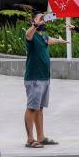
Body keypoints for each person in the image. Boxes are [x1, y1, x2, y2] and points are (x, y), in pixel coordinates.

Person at [24, 11, 69, 148]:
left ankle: (41, 137)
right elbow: (27, 34)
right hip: (34, 79)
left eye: (44, 18)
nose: (44, 20)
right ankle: (30, 140)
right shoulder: (31, 36)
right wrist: (35, 25)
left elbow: (51, 40)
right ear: (34, 21)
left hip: (44, 78)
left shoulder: (43, 37)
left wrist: (61, 40)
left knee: (40, 108)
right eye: (40, 18)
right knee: (32, 108)